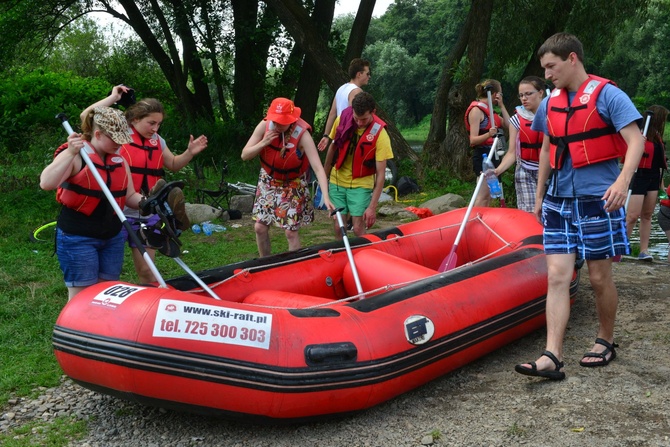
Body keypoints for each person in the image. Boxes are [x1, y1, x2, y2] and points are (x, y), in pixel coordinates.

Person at [514, 33, 644, 380]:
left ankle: (606, 340)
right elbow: (546, 150)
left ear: (572, 59)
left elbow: (636, 139)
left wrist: (622, 182)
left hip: (597, 199)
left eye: (551, 66)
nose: (548, 74)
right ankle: (552, 356)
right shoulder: (549, 102)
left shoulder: (608, 95)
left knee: (599, 278)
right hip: (558, 199)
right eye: (544, 68)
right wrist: (540, 196)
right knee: (557, 275)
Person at [80, 86, 208, 284]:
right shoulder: (117, 137)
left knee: (148, 272)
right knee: (106, 274)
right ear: (135, 119)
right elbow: (87, 116)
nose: (155, 129)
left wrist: (190, 152)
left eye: (158, 124)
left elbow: (173, 164)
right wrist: (114, 98)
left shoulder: (158, 141)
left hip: (148, 211)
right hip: (118, 211)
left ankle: (151, 307)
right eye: (151, 123)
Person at [40, 107, 144, 300]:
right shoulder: (77, 155)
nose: (120, 144)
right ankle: (73, 330)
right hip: (78, 237)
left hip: (112, 236)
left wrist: (150, 203)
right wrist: (71, 152)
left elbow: (129, 196)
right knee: (82, 298)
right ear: (97, 134)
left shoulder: (119, 160)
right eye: (115, 139)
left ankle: (101, 328)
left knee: (107, 295)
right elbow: (46, 183)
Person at [241, 97, 335, 257]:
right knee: (260, 227)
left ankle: (295, 267)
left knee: (290, 233)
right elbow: (245, 155)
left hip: (293, 184)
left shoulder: (302, 134)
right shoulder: (265, 126)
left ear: (291, 120)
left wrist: (326, 196)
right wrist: (263, 143)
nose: (276, 125)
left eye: (281, 122)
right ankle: (266, 265)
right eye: (275, 121)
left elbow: (318, 168)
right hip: (268, 181)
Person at [325, 92, 394, 237]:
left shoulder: (380, 134)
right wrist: (324, 180)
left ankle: (362, 256)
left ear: (373, 112)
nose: (359, 123)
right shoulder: (342, 119)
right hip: (337, 180)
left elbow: (381, 174)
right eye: (356, 118)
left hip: (361, 184)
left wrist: (372, 207)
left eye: (364, 119)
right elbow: (332, 148)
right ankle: (342, 257)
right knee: (339, 226)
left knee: (357, 228)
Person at [494, 76, 546, 212]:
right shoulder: (516, 119)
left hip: (549, 171)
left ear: (541, 93)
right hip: (525, 170)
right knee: (530, 213)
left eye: (528, 94)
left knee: (550, 213)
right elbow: (512, 153)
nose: (524, 98)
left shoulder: (552, 114)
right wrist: (497, 170)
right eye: (521, 95)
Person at [625, 105, 668, 261]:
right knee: (632, 216)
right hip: (639, 176)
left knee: (647, 215)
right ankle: (621, 247)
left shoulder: (657, 138)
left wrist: (661, 186)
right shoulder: (638, 134)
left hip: (653, 177)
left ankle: (644, 250)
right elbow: (626, 154)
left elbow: (659, 163)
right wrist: (637, 143)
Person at [465, 79, 510, 207]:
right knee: (483, 196)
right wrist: (488, 134)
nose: (501, 96)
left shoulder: (492, 112)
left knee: (490, 197)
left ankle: (483, 221)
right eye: (500, 93)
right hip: (483, 156)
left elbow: (509, 125)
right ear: (495, 94)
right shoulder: (476, 110)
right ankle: (475, 220)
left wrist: (502, 106)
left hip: (494, 154)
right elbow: (473, 139)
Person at [317, 58, 372, 156]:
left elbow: (332, 114)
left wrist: (326, 136)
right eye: (367, 74)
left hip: (339, 136)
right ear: (359, 74)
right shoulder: (356, 91)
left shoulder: (341, 88)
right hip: (349, 138)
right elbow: (354, 117)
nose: (369, 76)